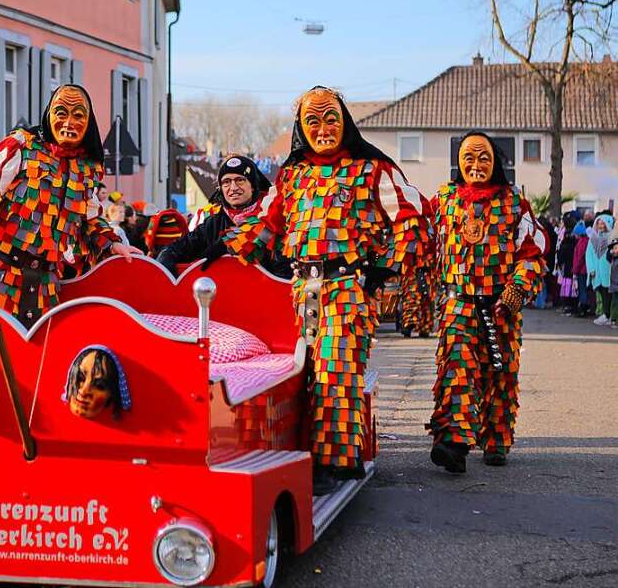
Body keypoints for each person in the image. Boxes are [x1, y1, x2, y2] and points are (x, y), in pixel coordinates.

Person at [218, 87, 429, 494]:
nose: (323, 128)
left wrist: (381, 270)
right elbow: (265, 223)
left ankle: (333, 464)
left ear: (345, 121)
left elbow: (413, 216)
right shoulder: (293, 175)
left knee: (335, 368)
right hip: (304, 289)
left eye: (330, 118)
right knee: (316, 371)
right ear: (301, 127)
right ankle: (332, 454)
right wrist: (213, 251)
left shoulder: (373, 169)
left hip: (348, 286)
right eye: (312, 121)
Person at [427, 132, 547, 473]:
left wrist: (514, 293)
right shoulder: (445, 199)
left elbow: (532, 254)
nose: (475, 165)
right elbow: (421, 235)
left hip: (500, 307)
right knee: (456, 370)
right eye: (469, 158)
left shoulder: (514, 204)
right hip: (459, 303)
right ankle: (453, 444)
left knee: (500, 374)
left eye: (483, 159)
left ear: (496, 163)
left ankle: (496, 440)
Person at [0, 84, 140, 327]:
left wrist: (113, 243)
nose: (69, 122)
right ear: (49, 115)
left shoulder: (87, 168)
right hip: (0, 278)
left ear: (88, 122)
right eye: (61, 112)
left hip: (47, 286)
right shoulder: (21, 146)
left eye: (78, 115)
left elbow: (87, 219)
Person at [158, 155, 283, 276]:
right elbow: (180, 247)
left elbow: (282, 269)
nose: (233, 188)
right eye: (226, 182)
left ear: (253, 186)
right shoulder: (213, 224)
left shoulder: (271, 218)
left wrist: (227, 244)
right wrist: (167, 256)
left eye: (240, 180)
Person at [587, 214, 614, 324]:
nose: (601, 225)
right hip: (597, 271)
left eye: (603, 223)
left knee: (610, 293)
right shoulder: (593, 238)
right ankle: (605, 314)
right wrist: (591, 269)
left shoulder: (612, 237)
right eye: (599, 223)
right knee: (602, 292)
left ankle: (608, 315)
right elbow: (589, 255)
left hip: (609, 270)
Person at [572, 221, 590, 316]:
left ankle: (583, 309)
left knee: (582, 289)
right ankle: (585, 308)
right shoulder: (586, 241)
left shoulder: (582, 242)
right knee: (584, 289)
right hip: (584, 269)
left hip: (582, 270)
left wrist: (575, 269)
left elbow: (580, 257)